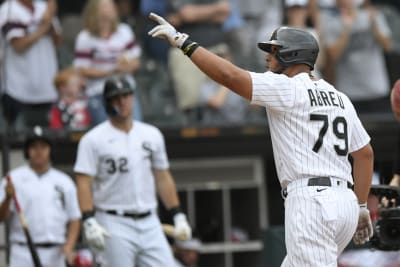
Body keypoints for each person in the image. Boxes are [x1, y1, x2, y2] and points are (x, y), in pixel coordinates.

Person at [149, 14, 374, 266]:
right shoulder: (340, 97)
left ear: (292, 55)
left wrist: (183, 42)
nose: (268, 56)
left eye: (275, 51)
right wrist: (362, 205)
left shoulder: (287, 87)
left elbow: (229, 77)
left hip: (312, 202)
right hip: (344, 203)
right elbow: (364, 154)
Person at [73, 77, 192, 267]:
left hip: (150, 219)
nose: (122, 102)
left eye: (126, 96)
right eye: (116, 98)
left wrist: (177, 214)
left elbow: (162, 177)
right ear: (107, 102)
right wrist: (88, 219)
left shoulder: (151, 134)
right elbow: (83, 181)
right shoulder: (93, 139)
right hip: (113, 221)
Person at [0, 126, 81, 267]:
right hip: (23, 251)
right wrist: (7, 198)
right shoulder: (13, 179)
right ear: (27, 151)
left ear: (50, 150)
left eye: (43, 146)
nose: (39, 151)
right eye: (34, 147)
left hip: (56, 252)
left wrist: (69, 246)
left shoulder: (64, 181)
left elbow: (74, 217)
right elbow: (1, 217)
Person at [73, 0, 142, 126]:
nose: (109, 9)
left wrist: (125, 66)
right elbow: (82, 69)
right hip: (99, 93)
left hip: (125, 90)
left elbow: (136, 62)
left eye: (111, 5)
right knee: (106, 133)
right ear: (94, 11)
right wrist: (110, 71)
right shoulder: (85, 37)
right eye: (105, 6)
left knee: (134, 128)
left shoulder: (124, 31)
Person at [319, 0, 392, 113]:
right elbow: (332, 56)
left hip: (376, 89)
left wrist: (374, 25)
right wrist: (347, 29)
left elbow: (388, 47)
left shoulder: (372, 14)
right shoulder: (329, 20)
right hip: (348, 92)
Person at [0, 0, 61, 129]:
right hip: (18, 90)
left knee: (46, 140)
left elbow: (57, 41)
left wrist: (50, 17)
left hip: (47, 88)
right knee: (18, 141)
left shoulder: (43, 7)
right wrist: (43, 26)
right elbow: (18, 45)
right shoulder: (9, 9)